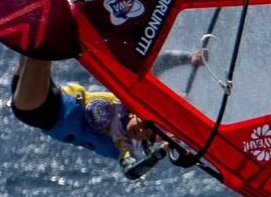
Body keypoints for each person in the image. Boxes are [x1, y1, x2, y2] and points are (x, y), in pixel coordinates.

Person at [9, 54, 170, 179]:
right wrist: (187, 58)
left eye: (146, 136)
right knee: (35, 44)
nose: (141, 131)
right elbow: (156, 67)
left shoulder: (121, 143)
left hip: (40, 112)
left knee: (41, 50)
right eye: (146, 125)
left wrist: (159, 153)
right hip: (53, 91)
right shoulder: (125, 102)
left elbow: (132, 172)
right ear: (140, 114)